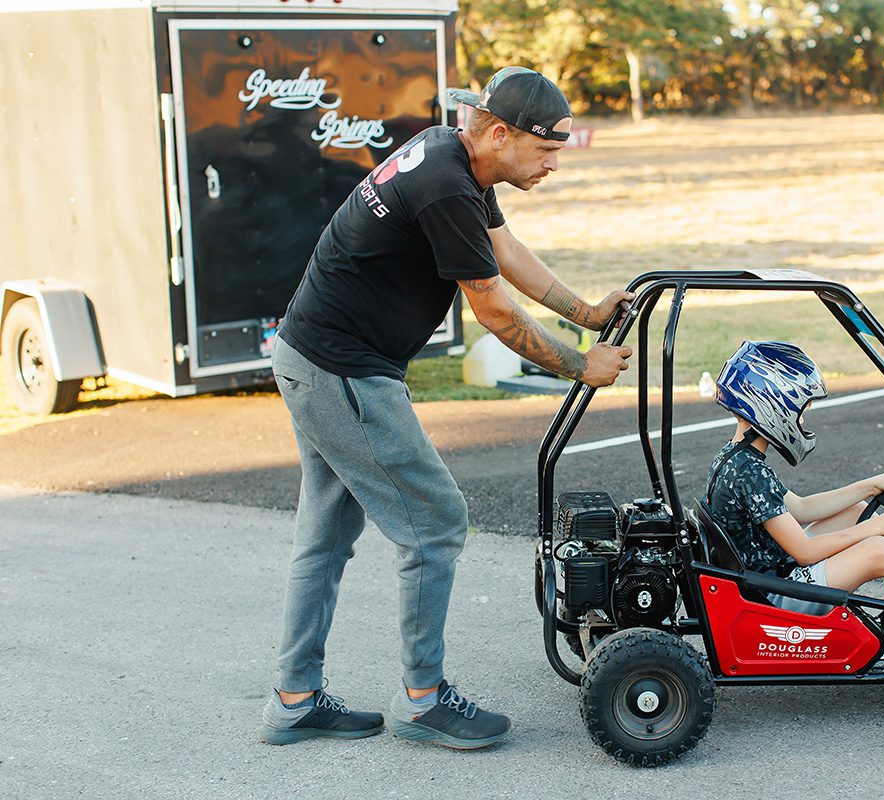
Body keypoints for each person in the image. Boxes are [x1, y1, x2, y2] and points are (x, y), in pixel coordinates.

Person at [259, 66, 634, 749]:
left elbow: (505, 250)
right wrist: (582, 366)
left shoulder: (450, 156)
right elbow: (492, 308)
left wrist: (586, 312)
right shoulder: (444, 186)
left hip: (313, 359)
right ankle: (424, 699)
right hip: (343, 371)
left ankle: (294, 697)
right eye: (546, 150)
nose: (554, 164)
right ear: (499, 133)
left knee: (325, 536)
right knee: (436, 522)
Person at [704, 340, 884, 629]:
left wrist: (870, 486)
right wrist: (878, 527)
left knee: (857, 511)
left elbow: (802, 508)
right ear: (772, 406)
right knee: (882, 552)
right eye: (799, 409)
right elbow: (805, 552)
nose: (802, 418)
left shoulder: (735, 457)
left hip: (765, 579)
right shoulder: (749, 472)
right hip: (771, 598)